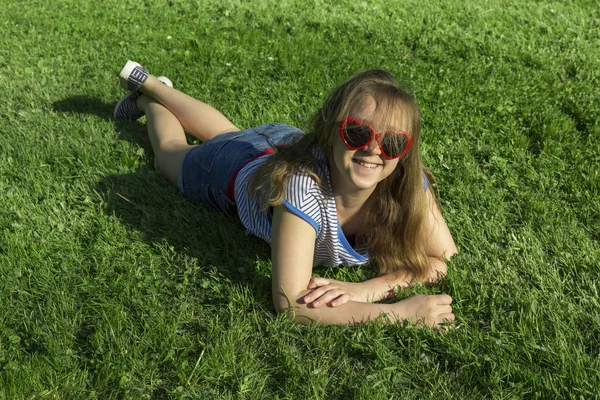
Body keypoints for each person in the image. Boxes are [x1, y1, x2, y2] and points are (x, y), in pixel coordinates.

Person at [114, 60, 458, 327]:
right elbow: (290, 302)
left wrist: (365, 290)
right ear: (330, 130)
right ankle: (150, 98)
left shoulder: (406, 183)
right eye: (357, 132)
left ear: (405, 152)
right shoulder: (303, 189)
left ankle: (155, 86)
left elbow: (442, 256)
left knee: (232, 131)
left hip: (287, 146)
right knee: (171, 153)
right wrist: (396, 313)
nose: (374, 148)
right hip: (232, 170)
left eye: (394, 141)